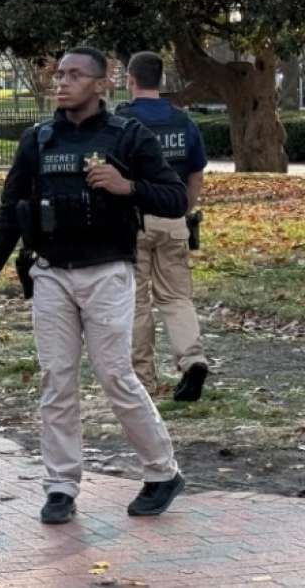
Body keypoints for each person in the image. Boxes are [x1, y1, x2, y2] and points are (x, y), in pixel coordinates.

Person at [0, 46, 187, 525]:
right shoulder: (38, 139)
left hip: (107, 271)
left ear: (102, 83)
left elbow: (174, 199)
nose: (61, 82)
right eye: (58, 74)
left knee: (115, 376)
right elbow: (10, 211)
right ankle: (61, 486)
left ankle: (162, 471)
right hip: (50, 273)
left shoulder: (129, 137)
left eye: (74, 75)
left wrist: (127, 186)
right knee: (56, 380)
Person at [116, 52, 209, 401]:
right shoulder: (183, 122)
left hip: (134, 219)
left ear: (131, 80)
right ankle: (192, 359)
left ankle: (142, 381)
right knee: (176, 298)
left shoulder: (122, 122)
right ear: (161, 81)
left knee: (136, 303)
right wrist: (185, 205)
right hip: (173, 220)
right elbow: (197, 171)